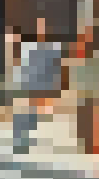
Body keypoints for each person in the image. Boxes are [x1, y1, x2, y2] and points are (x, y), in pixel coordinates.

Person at [10, 16, 66, 154]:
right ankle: (21, 142)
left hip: (43, 87)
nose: (42, 30)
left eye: (44, 27)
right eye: (39, 26)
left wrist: (55, 89)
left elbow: (57, 69)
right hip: (29, 86)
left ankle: (26, 141)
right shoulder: (28, 46)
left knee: (34, 115)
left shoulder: (54, 48)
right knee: (23, 115)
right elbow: (22, 67)